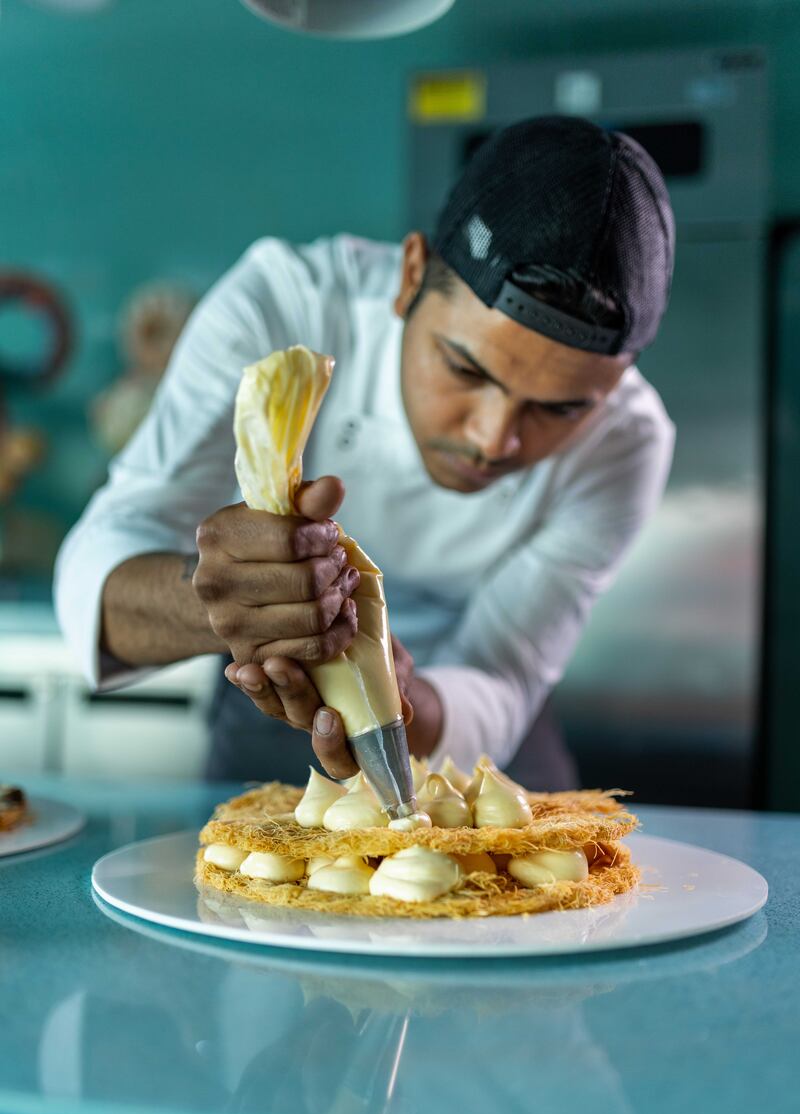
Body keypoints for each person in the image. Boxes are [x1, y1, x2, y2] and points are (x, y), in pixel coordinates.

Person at [54, 116, 675, 788]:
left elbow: (502, 672)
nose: (494, 438)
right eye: (465, 370)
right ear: (409, 278)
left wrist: (403, 701)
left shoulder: (628, 443)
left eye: (561, 408)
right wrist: (231, 603)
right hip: (273, 690)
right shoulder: (287, 305)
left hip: (464, 717)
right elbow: (97, 566)